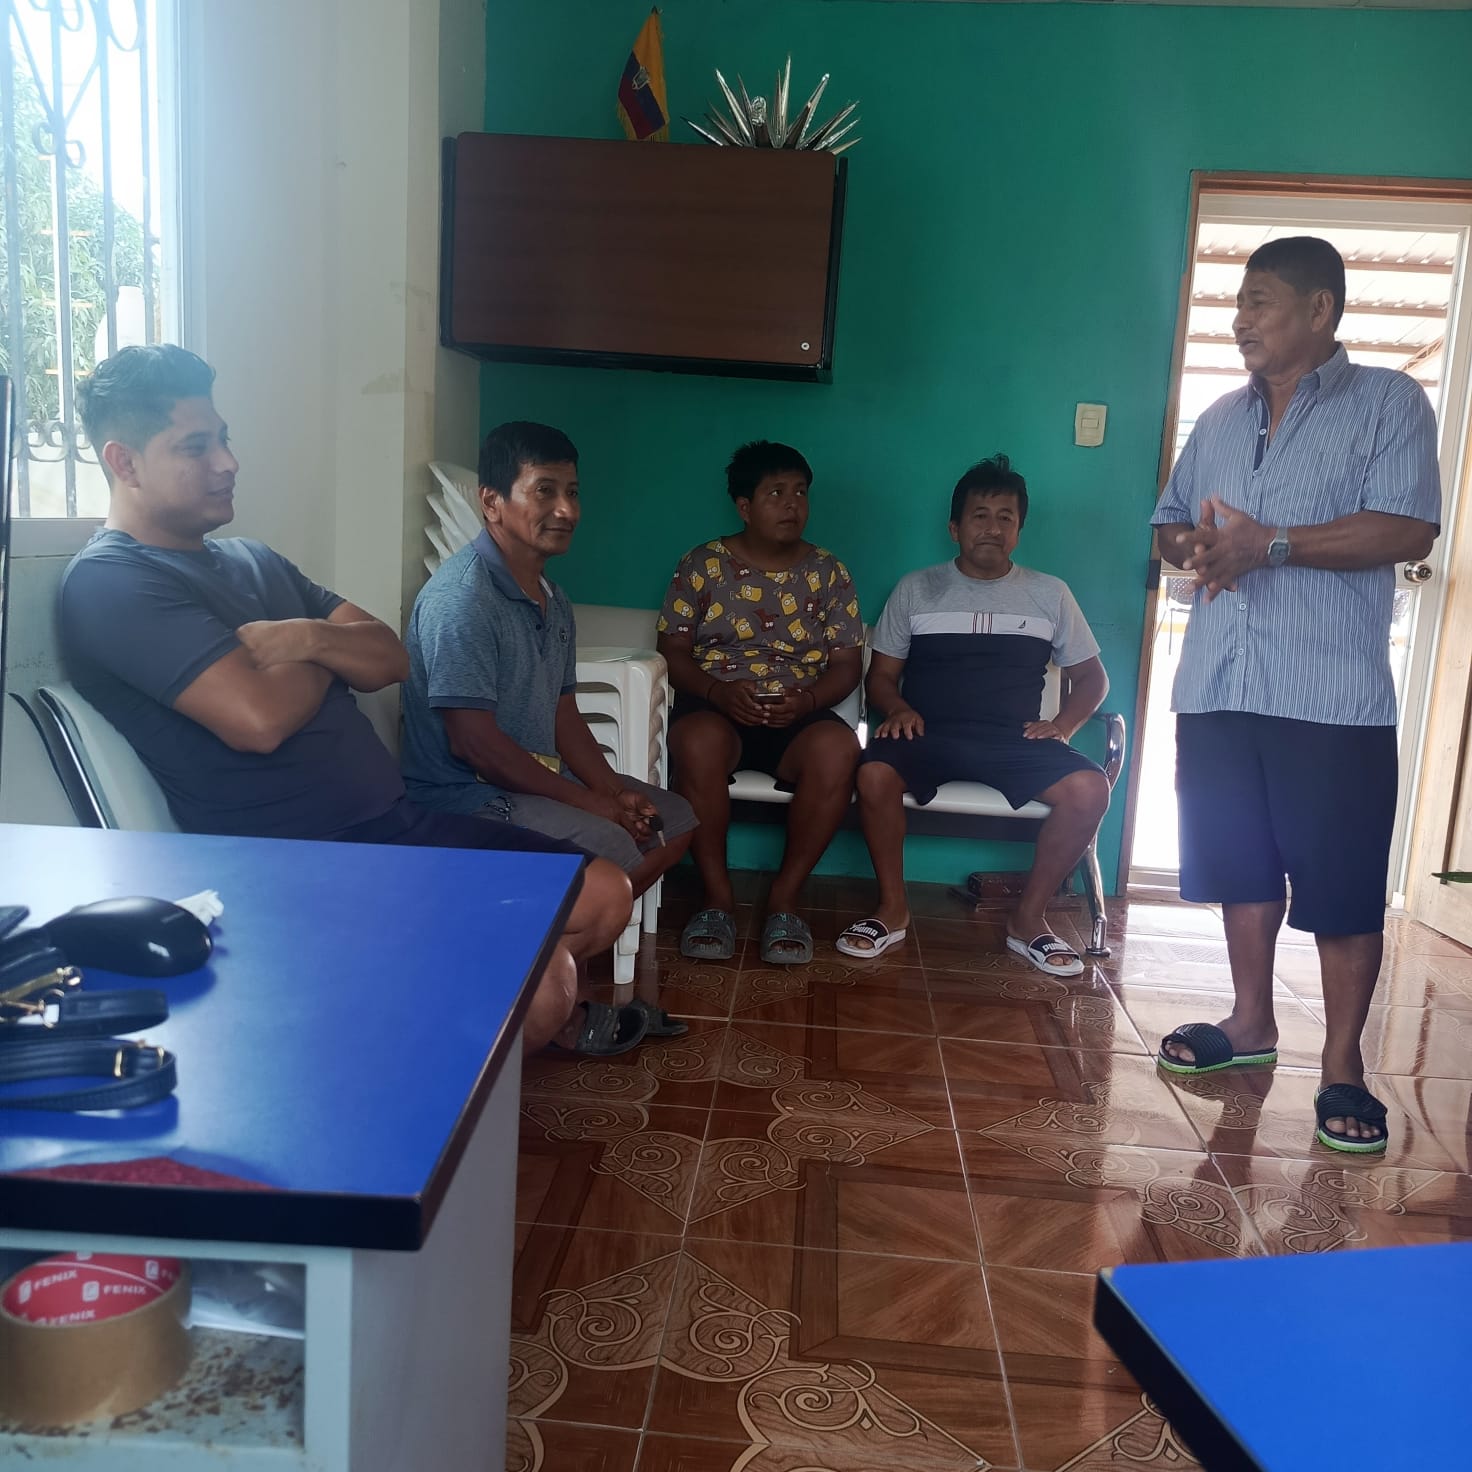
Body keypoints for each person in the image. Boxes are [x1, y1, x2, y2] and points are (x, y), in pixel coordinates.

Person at [61, 345, 636, 1056]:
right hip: (299, 866)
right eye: (196, 446)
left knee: (605, 891)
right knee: (543, 984)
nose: (228, 462)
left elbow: (388, 656)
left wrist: (302, 639)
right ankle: (437, 1042)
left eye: (225, 438)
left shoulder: (253, 559)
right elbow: (259, 721)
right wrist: (334, 654)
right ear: (123, 462)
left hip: (391, 829)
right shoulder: (112, 582)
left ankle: (447, 1016)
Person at [1151, 236, 1441, 1155]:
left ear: (1321, 309)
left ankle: (1342, 1064)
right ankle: (1249, 1022)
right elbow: (1168, 523)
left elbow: (1408, 527)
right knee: (1239, 865)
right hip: (1220, 683)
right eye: (1238, 301)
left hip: (1331, 699)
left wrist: (1269, 543)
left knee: (1341, 884)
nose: (1240, 319)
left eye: (1260, 300)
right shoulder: (1219, 418)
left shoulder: (1388, 402)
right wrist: (1195, 548)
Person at [399, 420, 697, 1037]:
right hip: (466, 798)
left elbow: (564, 714)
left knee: (673, 821)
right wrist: (597, 808)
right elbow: (475, 745)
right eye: (544, 491)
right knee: (614, 847)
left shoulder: (552, 598)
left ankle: (541, 974)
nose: (566, 510)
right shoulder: (463, 599)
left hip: (528, 784)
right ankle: (546, 1004)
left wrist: (615, 792)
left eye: (573, 491)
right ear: (492, 502)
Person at [839, 455, 1111, 971]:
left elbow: (1094, 679)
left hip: (1014, 739)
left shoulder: (1050, 594)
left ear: (1019, 530)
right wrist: (896, 707)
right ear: (954, 528)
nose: (992, 528)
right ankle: (892, 909)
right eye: (980, 516)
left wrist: (1062, 726)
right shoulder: (916, 588)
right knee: (873, 773)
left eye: (1006, 517)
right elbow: (881, 677)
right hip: (928, 732)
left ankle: (1028, 920)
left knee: (1090, 789)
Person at [657, 440, 863, 965]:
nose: (792, 504)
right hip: (717, 704)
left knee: (839, 751)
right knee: (695, 742)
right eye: (776, 493)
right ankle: (717, 901)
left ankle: (784, 902)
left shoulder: (829, 573)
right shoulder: (702, 564)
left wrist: (808, 700)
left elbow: (847, 665)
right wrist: (716, 692)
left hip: (798, 710)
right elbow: (672, 652)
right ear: (744, 506)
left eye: (800, 492)